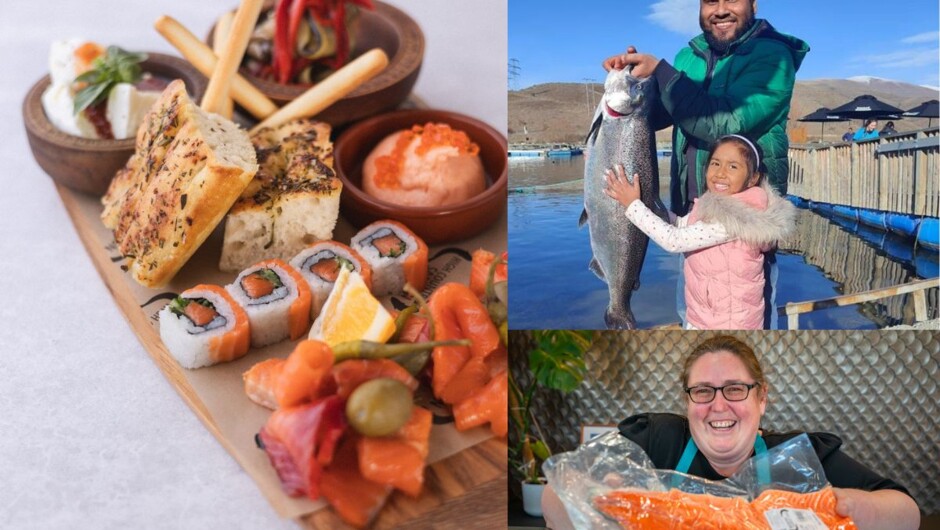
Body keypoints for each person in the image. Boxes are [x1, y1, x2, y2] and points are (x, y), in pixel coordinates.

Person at [542, 335, 921, 530]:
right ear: (688, 400)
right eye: (703, 391)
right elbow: (556, 493)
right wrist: (598, 503)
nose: (719, 405)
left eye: (735, 389)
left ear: (762, 399)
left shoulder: (800, 457)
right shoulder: (656, 438)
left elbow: (908, 515)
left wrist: (835, 508)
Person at [602, 0, 809, 330]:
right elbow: (656, 115)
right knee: (693, 315)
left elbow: (723, 125)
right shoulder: (688, 57)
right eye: (711, 0)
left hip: (742, 225)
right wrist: (633, 86)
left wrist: (663, 72)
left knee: (745, 320)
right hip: (691, 216)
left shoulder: (773, 59)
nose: (721, 9)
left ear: (754, 3)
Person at [604, 134, 795, 330]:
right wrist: (647, 205)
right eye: (715, 163)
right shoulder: (711, 204)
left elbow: (674, 240)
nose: (721, 173)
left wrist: (633, 206)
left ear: (752, 179)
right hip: (704, 317)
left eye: (733, 166)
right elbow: (679, 224)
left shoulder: (737, 220)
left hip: (729, 325)